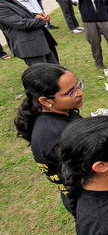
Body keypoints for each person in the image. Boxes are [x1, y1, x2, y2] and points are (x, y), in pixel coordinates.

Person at [14, 64, 83, 212]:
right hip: (88, 199)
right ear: (45, 101)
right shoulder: (58, 137)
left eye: (77, 86)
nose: (80, 93)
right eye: (71, 92)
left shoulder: (61, 112)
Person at [0, 0, 57, 66]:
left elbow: (26, 14)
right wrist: (41, 20)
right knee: (43, 74)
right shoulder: (1, 7)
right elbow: (21, 23)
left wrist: (38, 15)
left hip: (40, 42)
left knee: (56, 70)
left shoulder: (12, 1)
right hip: (30, 47)